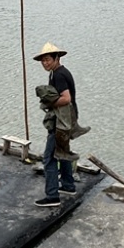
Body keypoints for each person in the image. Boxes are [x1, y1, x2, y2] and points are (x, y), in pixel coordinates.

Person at [33, 41, 85, 207]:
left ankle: (52, 196)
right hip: (67, 120)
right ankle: (68, 186)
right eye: (43, 61)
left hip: (61, 123)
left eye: (48, 59)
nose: (45, 63)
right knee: (62, 153)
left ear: (57, 58)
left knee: (49, 158)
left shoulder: (59, 75)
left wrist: (49, 104)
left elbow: (66, 98)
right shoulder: (56, 73)